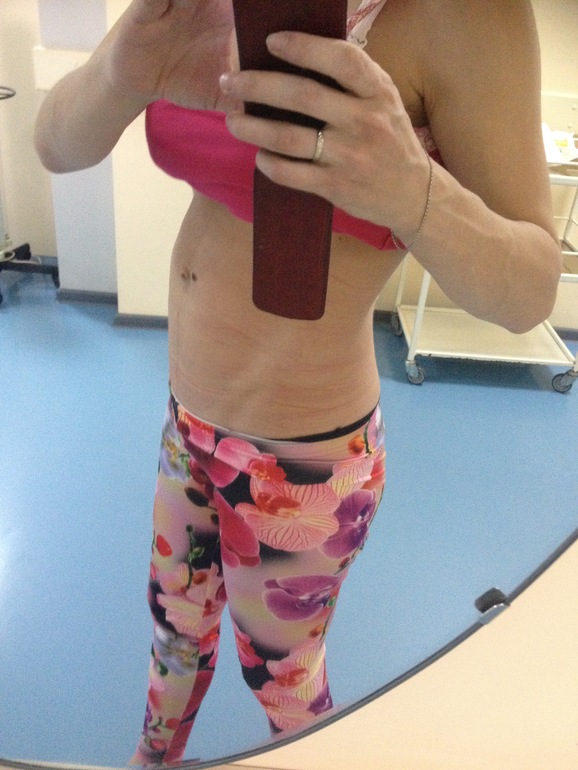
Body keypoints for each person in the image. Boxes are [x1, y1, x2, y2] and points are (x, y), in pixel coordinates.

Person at [34, 0, 562, 764]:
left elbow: (529, 290)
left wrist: (413, 190)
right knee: (174, 632)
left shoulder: (464, 15)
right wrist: (119, 75)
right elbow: (53, 143)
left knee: (284, 681)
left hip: (303, 468)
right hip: (188, 424)